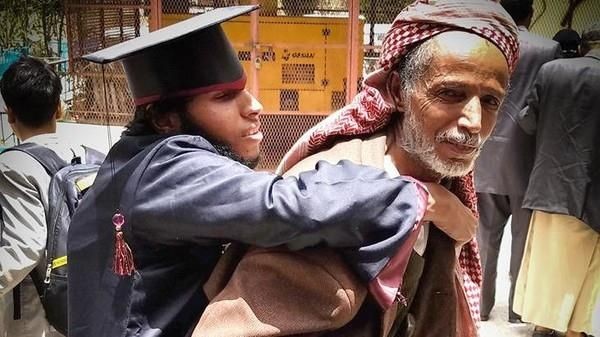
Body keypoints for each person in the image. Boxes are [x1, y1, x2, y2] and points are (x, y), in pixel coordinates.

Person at [66, 5, 475, 337]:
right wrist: (414, 196)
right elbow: (281, 205)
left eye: (244, 89)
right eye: (225, 98)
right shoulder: (168, 166)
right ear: (167, 120)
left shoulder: (135, 159)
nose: (253, 105)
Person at [194, 1, 518, 336]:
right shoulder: (334, 196)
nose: (475, 122)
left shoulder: (441, 180)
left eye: (490, 101)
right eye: (450, 93)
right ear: (397, 92)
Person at [474, 0, 561, 323]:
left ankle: (480, 308)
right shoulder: (548, 50)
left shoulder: (486, 45)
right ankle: (517, 311)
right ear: (531, 13)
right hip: (528, 160)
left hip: (484, 157)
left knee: (484, 239)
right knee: (524, 244)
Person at [514, 22, 600, 337]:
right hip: (592, 198)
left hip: (549, 185)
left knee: (547, 272)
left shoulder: (552, 71)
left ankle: (544, 327)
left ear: (583, 46)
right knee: (585, 281)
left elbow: (527, 121)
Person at [0, 56, 77, 337]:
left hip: (37, 315)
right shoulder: (83, 156)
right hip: (83, 300)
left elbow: (25, 247)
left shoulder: (13, 166)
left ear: (10, 115)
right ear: (59, 108)